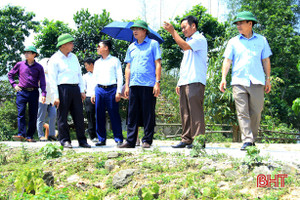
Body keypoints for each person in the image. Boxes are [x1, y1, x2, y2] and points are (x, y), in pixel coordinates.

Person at [219, 11, 272, 151]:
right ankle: (247, 140)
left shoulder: (262, 40)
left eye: (241, 23)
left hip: (257, 81)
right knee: (242, 112)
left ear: (250, 23)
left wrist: (268, 79)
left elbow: (266, 60)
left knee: (256, 111)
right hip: (238, 80)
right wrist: (223, 78)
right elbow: (227, 60)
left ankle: (252, 139)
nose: (238, 26)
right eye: (237, 23)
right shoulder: (233, 41)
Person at [163, 16, 207, 149]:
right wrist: (179, 82)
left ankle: (199, 140)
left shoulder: (199, 39)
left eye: (184, 27)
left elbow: (184, 46)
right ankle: (187, 139)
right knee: (185, 112)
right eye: (181, 28)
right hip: (185, 81)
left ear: (193, 26)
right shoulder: (189, 40)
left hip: (195, 80)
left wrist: (172, 32)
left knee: (195, 111)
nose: (182, 30)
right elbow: (185, 64)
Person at [118, 20, 162, 148]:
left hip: (149, 84)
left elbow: (158, 64)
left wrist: (157, 83)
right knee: (132, 113)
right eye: (133, 29)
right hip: (134, 84)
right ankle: (130, 141)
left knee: (148, 113)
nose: (134, 31)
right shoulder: (131, 47)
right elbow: (128, 67)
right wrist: (126, 85)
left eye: (137, 29)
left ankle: (147, 140)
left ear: (144, 31)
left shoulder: (153, 44)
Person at [48, 33, 91, 148]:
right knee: (62, 116)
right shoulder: (54, 59)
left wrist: (82, 90)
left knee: (79, 115)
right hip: (62, 89)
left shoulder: (74, 57)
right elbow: (52, 79)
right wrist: (55, 96)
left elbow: (79, 74)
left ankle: (82, 140)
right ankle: (65, 140)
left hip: (75, 88)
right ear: (63, 45)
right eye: (70, 43)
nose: (72, 45)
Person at [8, 46, 46, 142]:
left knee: (33, 114)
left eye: (28, 52)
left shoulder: (39, 67)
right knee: (21, 113)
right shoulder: (19, 64)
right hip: (22, 92)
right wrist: (14, 85)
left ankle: (30, 136)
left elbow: (42, 81)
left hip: (34, 92)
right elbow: (10, 74)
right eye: (25, 52)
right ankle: (21, 134)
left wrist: (44, 94)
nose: (26, 54)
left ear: (34, 54)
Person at [91, 40, 124, 146]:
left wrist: (119, 91)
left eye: (99, 46)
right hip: (99, 89)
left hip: (111, 89)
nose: (97, 48)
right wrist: (93, 92)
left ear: (106, 48)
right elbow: (94, 78)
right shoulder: (97, 62)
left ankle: (118, 138)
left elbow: (119, 76)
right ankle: (101, 139)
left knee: (114, 114)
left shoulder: (115, 60)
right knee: (99, 114)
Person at [36, 58, 57, 141]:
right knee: (41, 117)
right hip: (42, 98)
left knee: (53, 115)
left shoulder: (53, 75)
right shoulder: (40, 74)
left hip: (51, 98)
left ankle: (51, 134)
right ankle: (40, 135)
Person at [83, 57, 98, 142]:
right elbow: (83, 88)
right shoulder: (85, 76)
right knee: (90, 117)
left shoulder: (99, 74)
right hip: (89, 98)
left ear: (91, 64)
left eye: (86, 65)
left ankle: (100, 134)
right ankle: (92, 136)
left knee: (100, 116)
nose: (85, 67)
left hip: (99, 96)